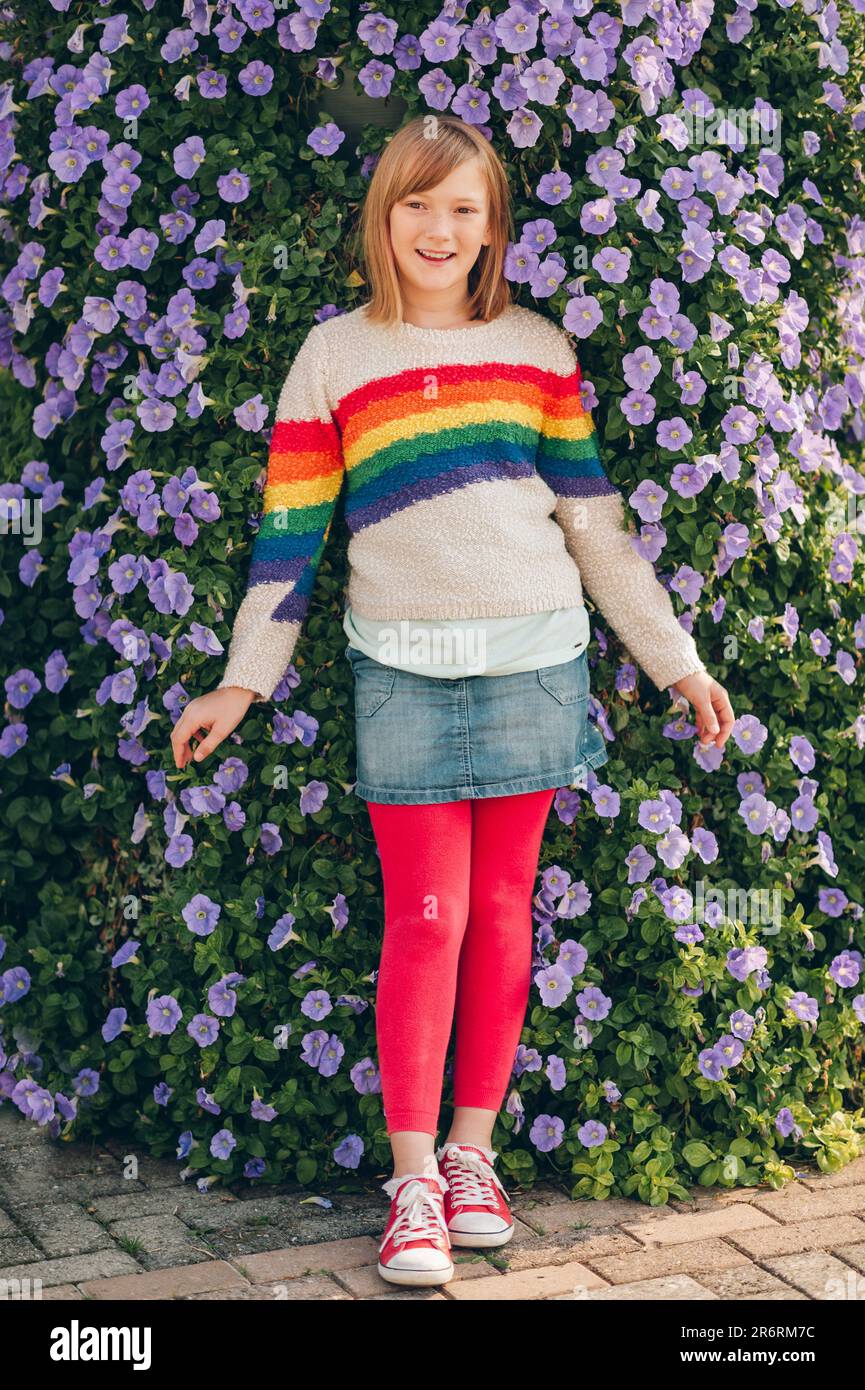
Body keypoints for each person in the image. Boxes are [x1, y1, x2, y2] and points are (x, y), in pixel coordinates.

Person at [171, 114, 735, 1288]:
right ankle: (414, 1180)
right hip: (402, 671)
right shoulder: (334, 354)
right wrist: (243, 676)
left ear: (493, 227)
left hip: (536, 660)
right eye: (417, 205)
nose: (440, 228)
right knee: (425, 920)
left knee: (504, 909)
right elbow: (291, 535)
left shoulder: (538, 349)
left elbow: (594, 527)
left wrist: (673, 657)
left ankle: (476, 1156)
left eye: (464, 208)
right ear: (384, 217)